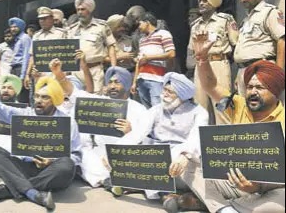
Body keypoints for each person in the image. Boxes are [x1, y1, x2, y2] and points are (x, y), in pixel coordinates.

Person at [170, 33, 286, 213]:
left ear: (275, 91)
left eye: (260, 88)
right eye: (250, 87)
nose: (253, 92)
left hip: (267, 189)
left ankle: (212, 204)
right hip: (232, 180)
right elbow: (211, 86)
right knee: (189, 165)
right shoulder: (238, 104)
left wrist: (256, 187)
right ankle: (225, 209)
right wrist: (202, 60)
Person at [0, 63, 81, 210]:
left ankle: (13, 188)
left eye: (44, 98)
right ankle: (32, 193)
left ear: (55, 100)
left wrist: (51, 161)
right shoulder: (26, 114)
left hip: (52, 170)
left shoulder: (67, 122)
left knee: (67, 166)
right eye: (36, 96)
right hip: (25, 166)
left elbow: (76, 155)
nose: (39, 101)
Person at [51, 57, 147, 189]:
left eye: (117, 82)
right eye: (110, 82)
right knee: (83, 155)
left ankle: (110, 179)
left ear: (127, 85)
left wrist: (130, 132)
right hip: (100, 153)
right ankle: (108, 181)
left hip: (125, 154)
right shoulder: (101, 102)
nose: (112, 86)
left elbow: (143, 137)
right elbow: (75, 93)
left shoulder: (139, 109)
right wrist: (59, 74)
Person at [117, 72, 208, 209]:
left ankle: (158, 192)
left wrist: (185, 155)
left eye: (170, 92)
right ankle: (167, 196)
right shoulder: (156, 110)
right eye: (164, 90)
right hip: (156, 156)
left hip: (182, 160)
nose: (164, 94)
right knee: (142, 155)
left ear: (182, 95)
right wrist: (115, 152)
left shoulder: (199, 113)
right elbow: (138, 133)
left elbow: (196, 138)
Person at [188, 0, 239, 125]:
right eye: (200, 1)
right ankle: (200, 143)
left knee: (222, 106)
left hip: (219, 64)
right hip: (200, 67)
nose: (201, 3)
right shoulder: (195, 25)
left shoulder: (225, 20)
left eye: (205, 0)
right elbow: (192, 50)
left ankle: (224, 143)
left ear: (214, 3)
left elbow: (236, 44)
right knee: (199, 107)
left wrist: (239, 71)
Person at [233, 0, 285, 97]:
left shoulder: (270, 12)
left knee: (264, 111)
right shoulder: (246, 19)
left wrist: (278, 73)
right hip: (244, 71)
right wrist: (239, 75)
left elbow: (282, 40)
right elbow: (244, 47)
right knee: (246, 112)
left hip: (261, 70)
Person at [69, 0, 117, 95]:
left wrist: (113, 69)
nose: (80, 12)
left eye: (83, 9)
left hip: (95, 70)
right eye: (78, 9)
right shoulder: (71, 29)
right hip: (76, 72)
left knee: (95, 101)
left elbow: (111, 47)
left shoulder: (102, 26)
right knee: (75, 101)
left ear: (90, 10)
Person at [131, 12, 176, 108]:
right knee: (146, 109)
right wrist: (134, 82)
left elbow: (171, 54)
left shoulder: (163, 34)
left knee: (158, 108)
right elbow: (139, 62)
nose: (138, 27)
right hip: (141, 79)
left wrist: (148, 58)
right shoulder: (142, 40)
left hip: (156, 78)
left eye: (140, 23)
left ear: (147, 22)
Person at [24, 7, 68, 90]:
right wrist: (27, 74)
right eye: (40, 19)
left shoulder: (61, 34)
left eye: (45, 18)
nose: (42, 21)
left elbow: (67, 55)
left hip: (56, 73)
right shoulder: (37, 35)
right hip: (39, 74)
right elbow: (32, 56)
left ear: (51, 19)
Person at [105, 14, 137, 80]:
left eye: (123, 26)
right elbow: (101, 59)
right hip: (111, 76)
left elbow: (136, 56)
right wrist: (120, 57)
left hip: (129, 74)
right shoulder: (103, 41)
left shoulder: (130, 40)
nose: (122, 29)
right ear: (112, 27)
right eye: (119, 27)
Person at [8, 17, 32, 103]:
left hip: (21, 69)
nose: (13, 29)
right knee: (15, 95)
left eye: (15, 27)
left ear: (21, 27)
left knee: (22, 97)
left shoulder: (25, 38)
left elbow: (27, 57)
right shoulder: (17, 39)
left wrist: (23, 75)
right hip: (14, 69)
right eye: (11, 27)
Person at [186, 8, 201, 81]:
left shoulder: (200, 29)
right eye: (189, 16)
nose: (189, 19)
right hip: (192, 71)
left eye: (192, 16)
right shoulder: (192, 30)